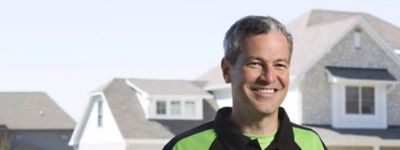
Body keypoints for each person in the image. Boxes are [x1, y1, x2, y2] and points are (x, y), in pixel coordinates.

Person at [163, 15, 327, 150]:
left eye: (279, 65)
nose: (269, 78)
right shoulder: (184, 147)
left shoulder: (311, 144)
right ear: (227, 70)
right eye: (255, 64)